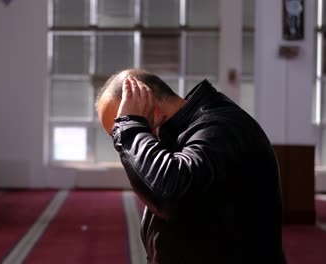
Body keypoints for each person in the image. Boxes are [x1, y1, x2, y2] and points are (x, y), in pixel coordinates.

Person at [96, 69, 286, 264]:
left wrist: (130, 128)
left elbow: (170, 193)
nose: (122, 145)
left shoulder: (221, 129)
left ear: (149, 108)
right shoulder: (181, 137)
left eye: (118, 131)